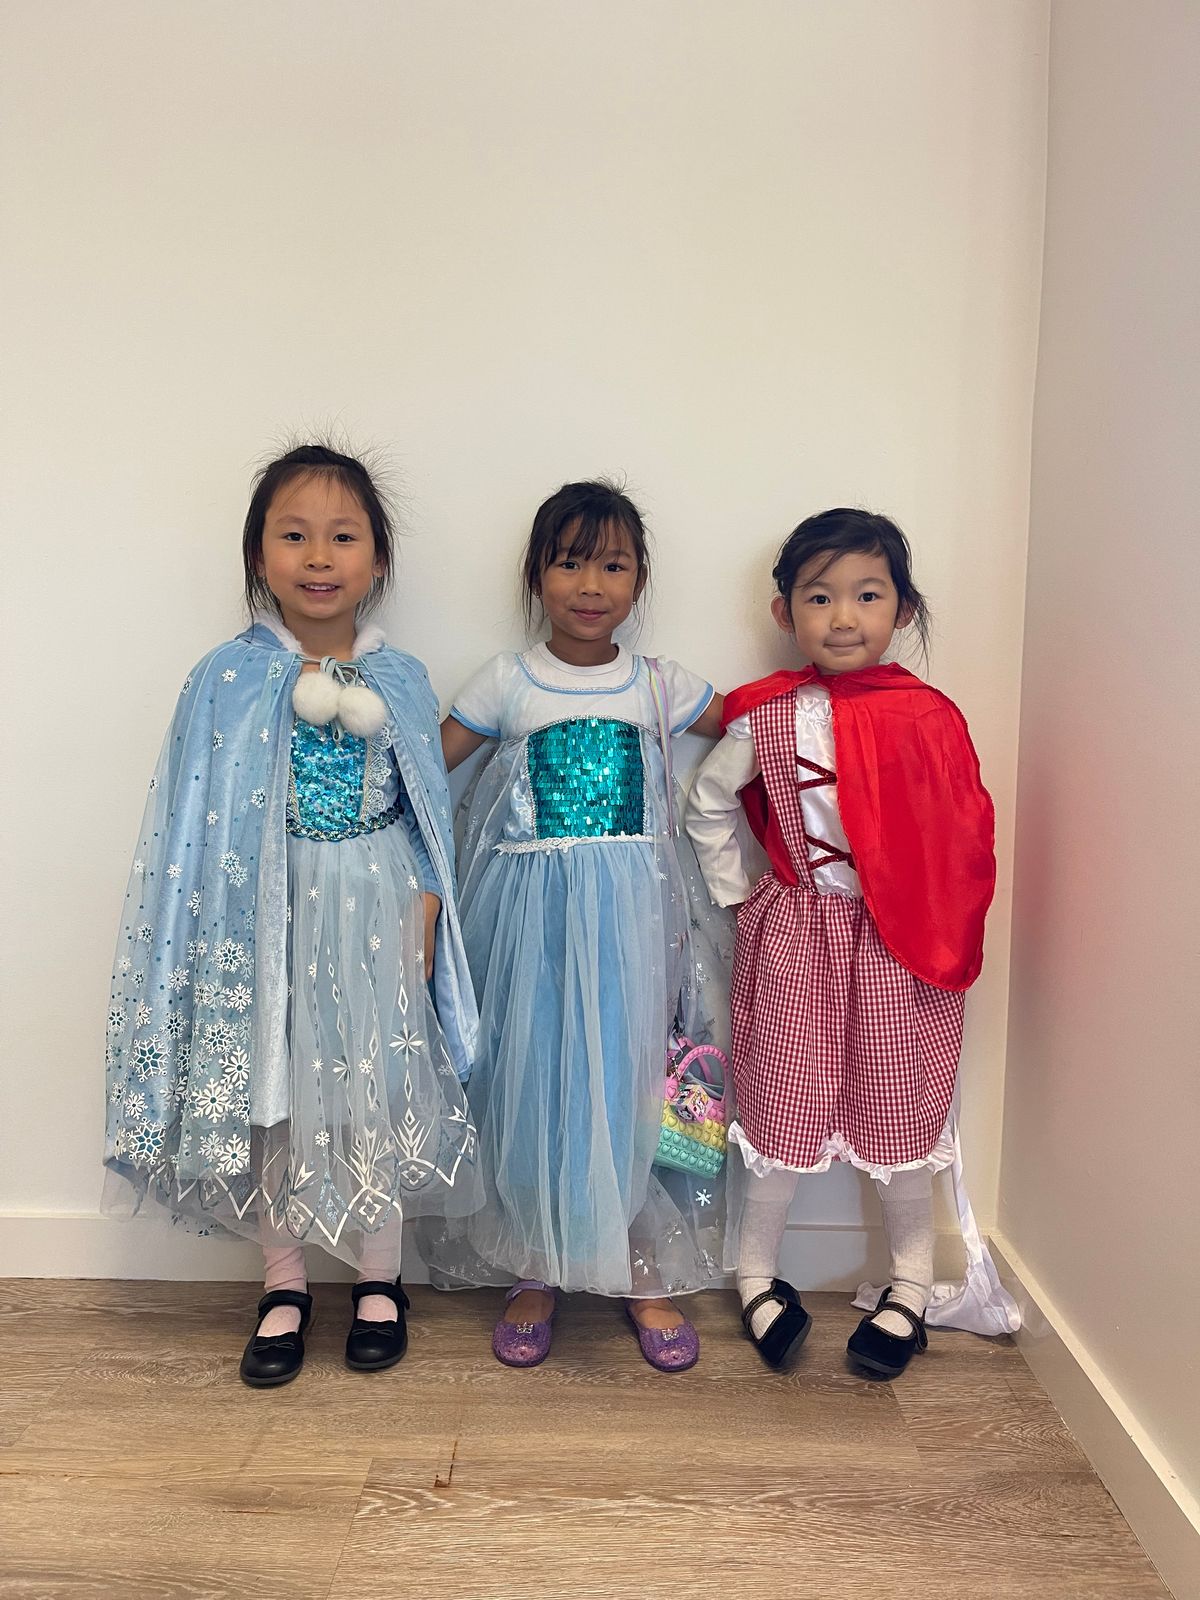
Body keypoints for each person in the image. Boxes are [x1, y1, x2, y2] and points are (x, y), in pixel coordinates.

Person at [103, 444, 481, 1386]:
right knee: (276, 1089)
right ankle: (284, 1283)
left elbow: (424, 804)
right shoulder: (226, 679)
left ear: (378, 558)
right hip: (266, 918)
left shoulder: (402, 677)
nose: (319, 556)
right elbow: (196, 816)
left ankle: (381, 1278)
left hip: (378, 908)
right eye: (294, 535)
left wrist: (429, 901)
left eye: (343, 537)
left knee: (375, 1085)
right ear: (258, 556)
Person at [686, 508, 1014, 1378]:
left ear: (903, 608)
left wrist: (934, 913)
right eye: (819, 595)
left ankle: (911, 1282)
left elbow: (963, 833)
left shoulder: (929, 718)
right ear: (783, 609)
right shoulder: (767, 717)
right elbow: (707, 805)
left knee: (897, 1105)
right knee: (781, 1099)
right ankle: (756, 1274)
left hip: (900, 946)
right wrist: (743, 899)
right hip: (797, 936)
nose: (842, 616)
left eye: (868, 595)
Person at [423, 480, 731, 1372]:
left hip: (634, 924)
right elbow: (427, 765)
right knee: (540, 1082)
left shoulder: (658, 685)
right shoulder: (508, 681)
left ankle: (639, 1266)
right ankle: (537, 1265)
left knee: (630, 1082)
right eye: (568, 563)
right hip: (530, 927)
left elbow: (759, 728)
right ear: (536, 576)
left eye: (613, 565)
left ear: (639, 580)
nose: (590, 585)